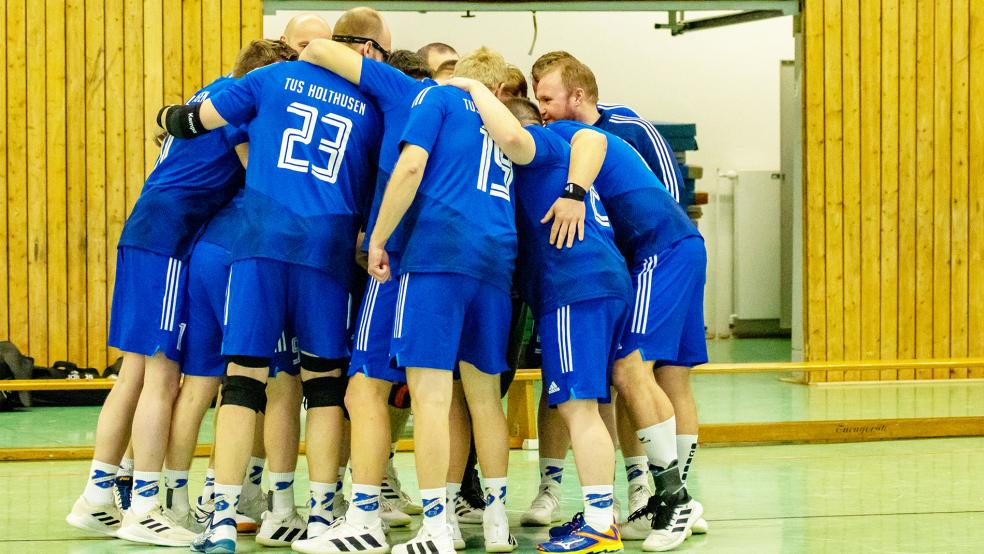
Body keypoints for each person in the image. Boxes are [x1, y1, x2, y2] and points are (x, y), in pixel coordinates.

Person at [157, 9, 387, 552]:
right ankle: (324, 514)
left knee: (243, 380)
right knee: (324, 384)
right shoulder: (370, 107)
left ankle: (220, 519)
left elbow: (193, 122)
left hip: (260, 241)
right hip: (328, 249)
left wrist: (166, 116)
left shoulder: (266, 79)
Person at [65, 39, 292, 549]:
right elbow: (260, 173)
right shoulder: (238, 101)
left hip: (148, 231)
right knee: (162, 378)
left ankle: (98, 495)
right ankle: (145, 506)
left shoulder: (210, 91)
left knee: (137, 372)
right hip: (169, 238)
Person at [450, 77, 631, 554]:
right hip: (597, 285)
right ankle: (600, 513)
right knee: (588, 404)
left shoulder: (538, 147)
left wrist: (470, 85)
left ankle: (600, 525)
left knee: (578, 407)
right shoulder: (546, 163)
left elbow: (517, 137)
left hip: (576, 288)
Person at [291, 40, 447, 554]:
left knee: (366, 386)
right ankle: (444, 512)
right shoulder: (460, 112)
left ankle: (368, 515)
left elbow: (316, 47)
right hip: (452, 262)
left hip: (398, 259)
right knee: (437, 394)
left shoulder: (404, 91)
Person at [362, 46, 518, 554]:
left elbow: (410, 168)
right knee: (484, 398)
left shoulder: (436, 99)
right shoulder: (503, 126)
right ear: (498, 90)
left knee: (430, 397)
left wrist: (379, 238)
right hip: (495, 260)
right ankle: (496, 521)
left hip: (438, 254)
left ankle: (434, 527)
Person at [157, 40, 303, 542]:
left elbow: (169, 125)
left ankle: (178, 499)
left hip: (202, 246)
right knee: (277, 381)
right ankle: (273, 505)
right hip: (244, 252)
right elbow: (255, 167)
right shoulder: (253, 111)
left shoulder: (210, 97)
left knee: (201, 382)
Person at [547, 117, 707, 551]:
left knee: (628, 369)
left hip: (661, 249)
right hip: (678, 246)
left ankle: (675, 499)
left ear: (576, 96)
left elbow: (592, 139)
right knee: (669, 379)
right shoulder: (587, 135)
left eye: (549, 97)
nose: (545, 111)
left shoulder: (577, 131)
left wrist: (573, 193)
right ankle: (668, 500)